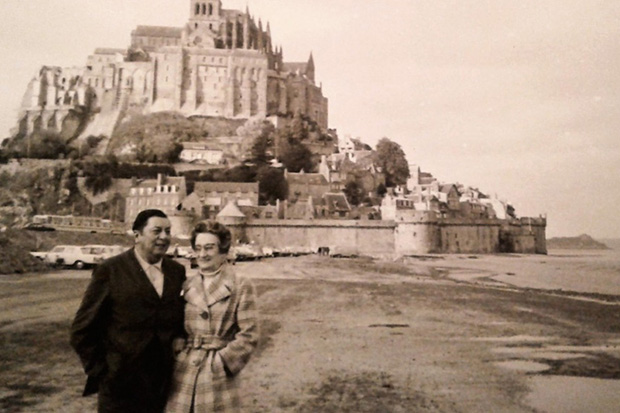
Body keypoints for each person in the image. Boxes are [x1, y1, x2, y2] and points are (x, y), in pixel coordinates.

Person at [70, 209, 187, 412]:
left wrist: (179, 336)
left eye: (168, 231)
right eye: (157, 231)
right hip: (120, 386)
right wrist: (103, 372)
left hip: (162, 384)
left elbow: (176, 316)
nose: (164, 237)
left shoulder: (177, 271)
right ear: (137, 235)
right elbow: (82, 329)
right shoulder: (110, 270)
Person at [165, 221, 258, 413]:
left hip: (217, 374)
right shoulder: (186, 285)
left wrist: (222, 362)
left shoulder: (240, 285)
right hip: (185, 370)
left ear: (223, 250)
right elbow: (175, 325)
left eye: (209, 248)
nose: (202, 254)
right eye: (198, 248)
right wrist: (178, 346)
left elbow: (249, 335)